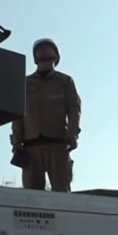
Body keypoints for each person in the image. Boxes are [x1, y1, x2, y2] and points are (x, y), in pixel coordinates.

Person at [10, 38, 81, 192]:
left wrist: (72, 135)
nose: (44, 55)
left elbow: (74, 109)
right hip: (31, 146)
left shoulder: (64, 81)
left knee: (61, 193)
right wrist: (16, 143)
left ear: (56, 57)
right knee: (32, 195)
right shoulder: (25, 84)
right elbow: (17, 116)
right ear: (35, 59)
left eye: (48, 52)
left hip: (57, 144)